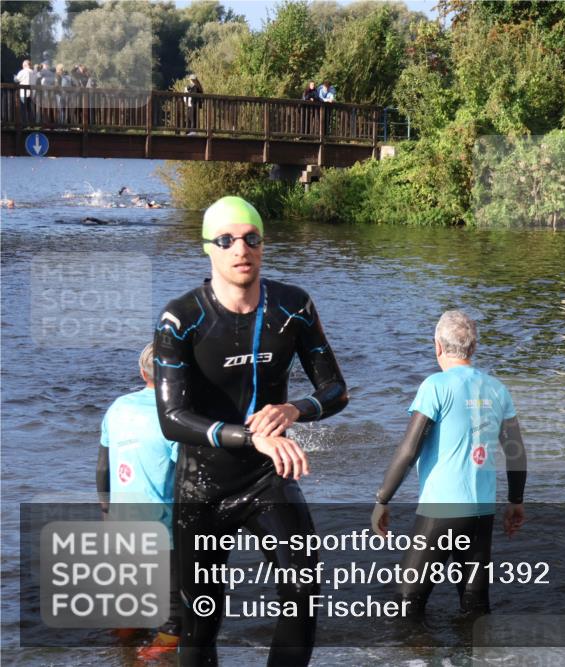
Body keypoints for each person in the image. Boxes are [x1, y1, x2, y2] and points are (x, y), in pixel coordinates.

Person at [154, 196, 349, 666]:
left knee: (303, 585)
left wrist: (294, 409)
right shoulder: (181, 319)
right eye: (227, 240)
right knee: (201, 623)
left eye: (251, 238)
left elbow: (336, 389)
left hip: (266, 476)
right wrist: (250, 435)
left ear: (263, 245)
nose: (241, 248)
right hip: (202, 486)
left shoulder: (293, 306)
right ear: (209, 249)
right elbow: (172, 418)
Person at [371, 310, 527, 616]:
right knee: (475, 607)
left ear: (437, 346)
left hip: (440, 511)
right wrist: (516, 502)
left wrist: (383, 499)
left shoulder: (435, 386)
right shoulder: (497, 389)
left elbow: (409, 449)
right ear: (474, 347)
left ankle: (415, 658)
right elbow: (516, 452)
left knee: (405, 605)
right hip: (482, 512)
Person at [97, 343, 182, 659]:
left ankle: (127, 640)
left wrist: (106, 510)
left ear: (141, 372)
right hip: (162, 527)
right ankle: (157, 650)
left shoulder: (117, 407)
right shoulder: (175, 416)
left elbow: (103, 466)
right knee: (175, 610)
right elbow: (188, 479)